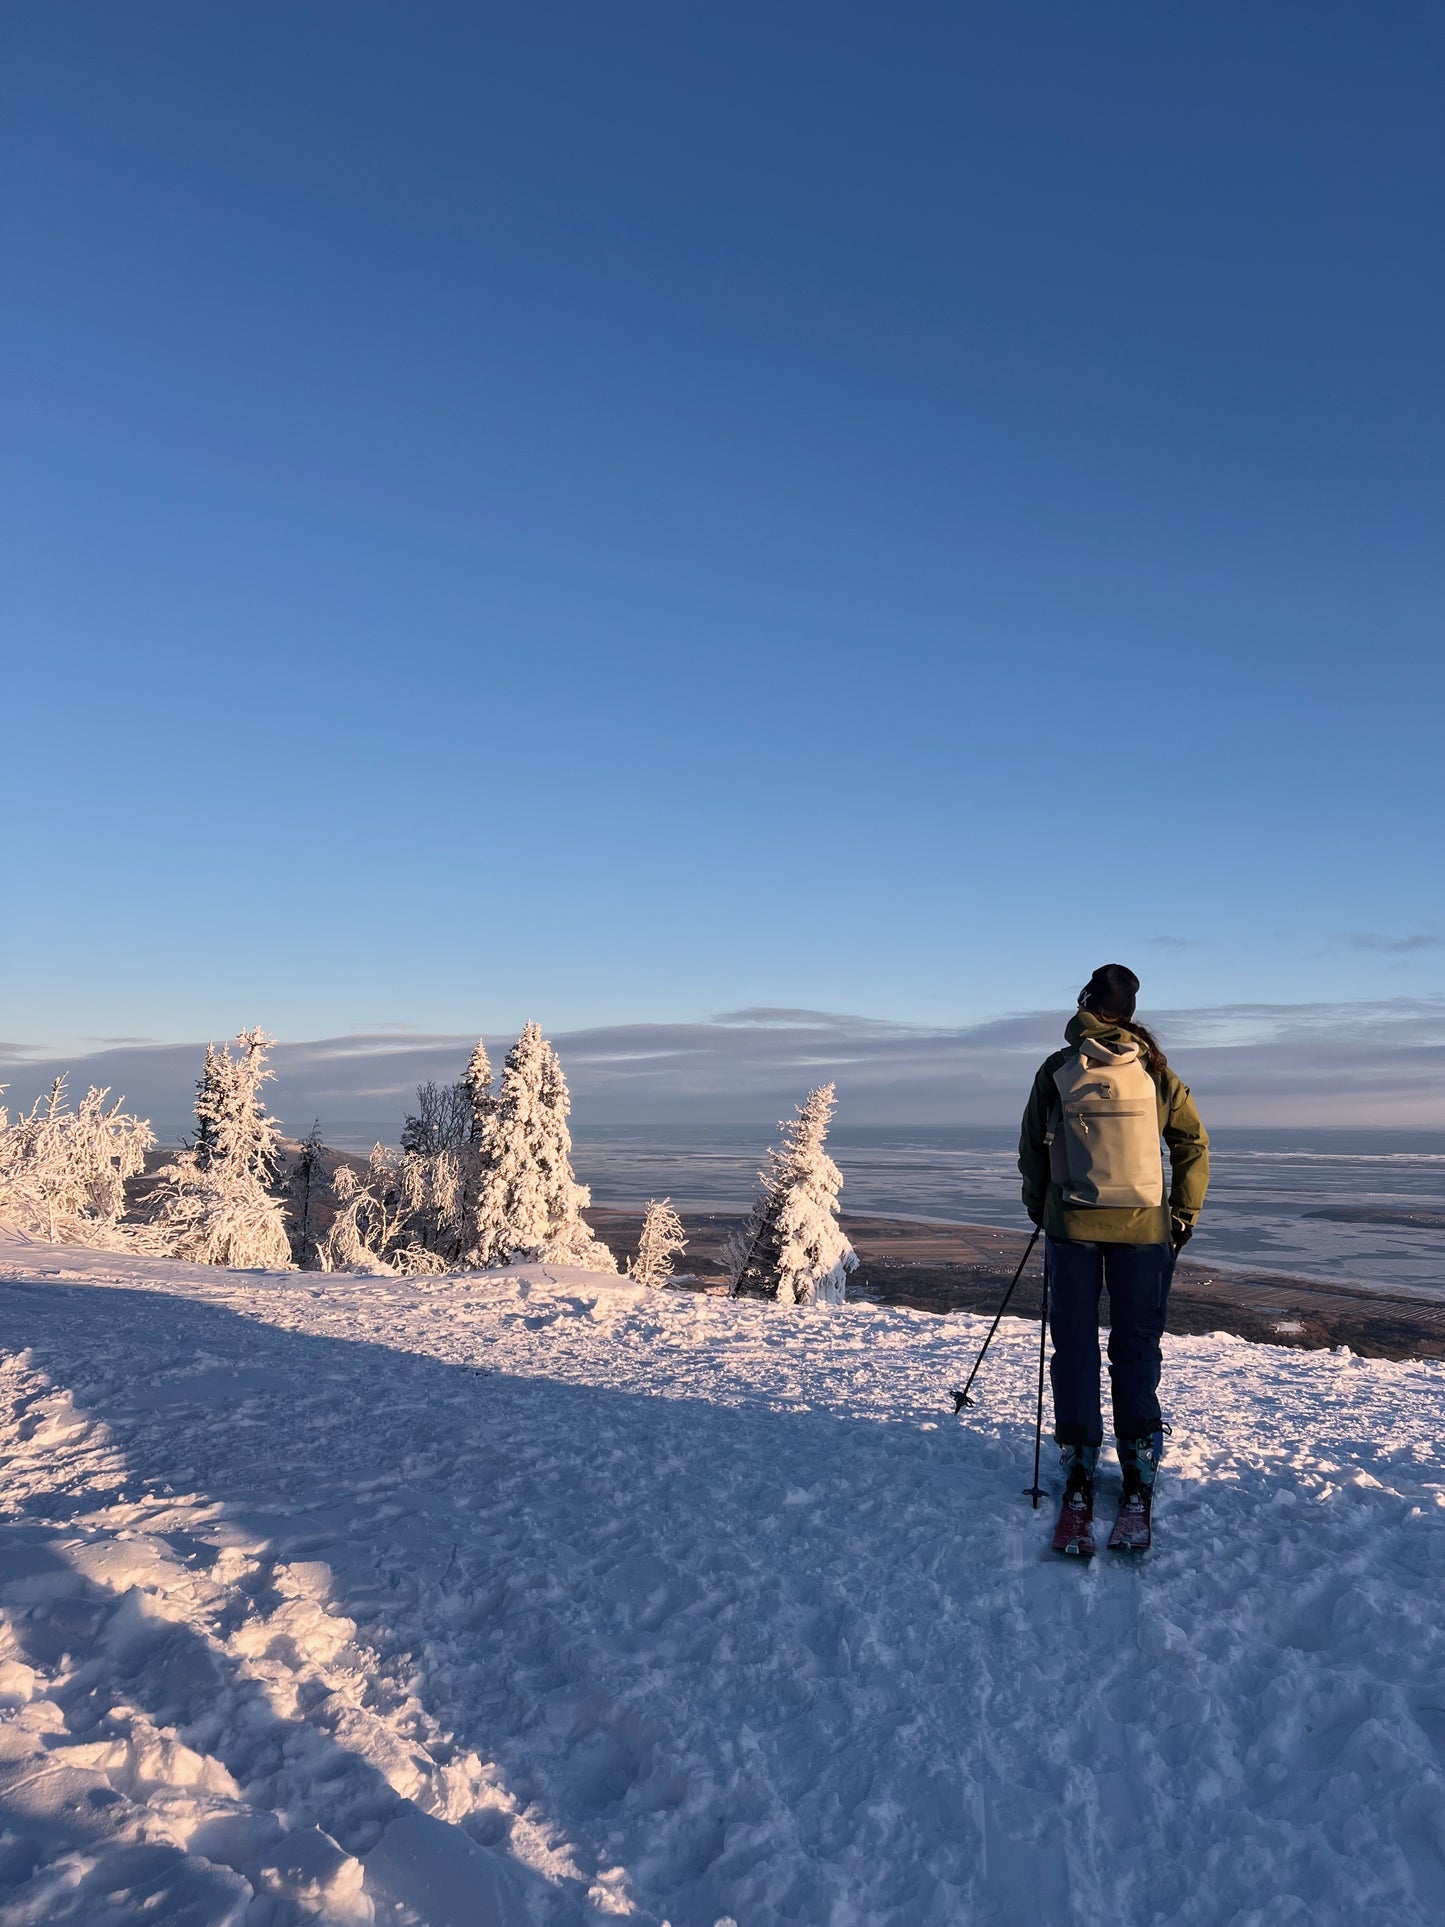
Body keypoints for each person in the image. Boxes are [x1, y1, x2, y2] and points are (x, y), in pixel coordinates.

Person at [1018, 964, 1209, 1519]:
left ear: (1085, 1005)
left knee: (1074, 1345)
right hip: (1144, 1229)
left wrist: (1044, 1208)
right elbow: (1192, 1145)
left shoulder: (1057, 1068)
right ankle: (1139, 1458)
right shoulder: (1155, 1072)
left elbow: (1032, 1148)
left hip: (1071, 1227)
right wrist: (1181, 1218)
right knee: (1135, 1346)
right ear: (1129, 1013)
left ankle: (1078, 1457)